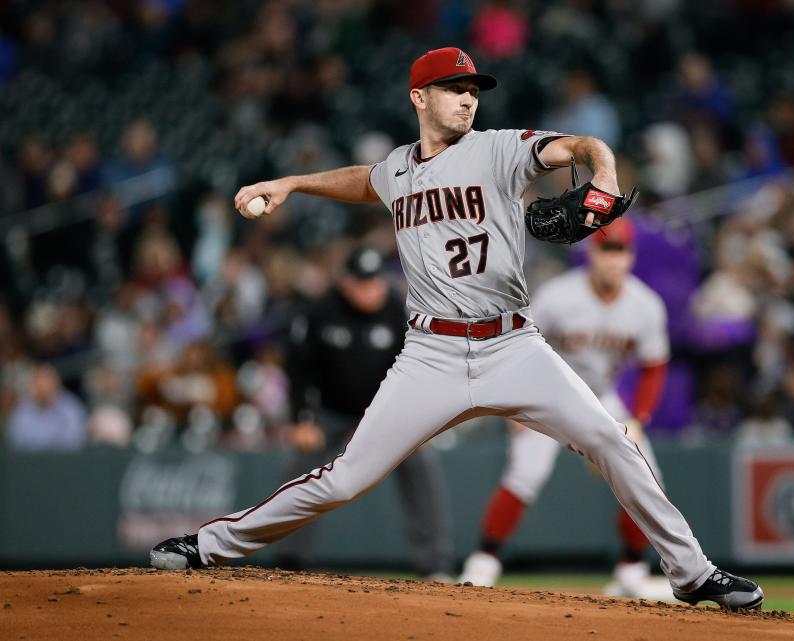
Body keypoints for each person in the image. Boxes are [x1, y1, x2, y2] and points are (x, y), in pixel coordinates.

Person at [150, 47, 763, 610]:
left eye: (473, 88)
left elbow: (581, 145)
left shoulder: (497, 148)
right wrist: (290, 183)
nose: (469, 98)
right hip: (431, 353)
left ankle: (692, 573)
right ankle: (206, 546)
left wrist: (601, 176)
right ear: (419, 98)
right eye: (453, 88)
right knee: (343, 480)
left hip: (513, 344)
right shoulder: (398, 170)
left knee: (612, 443)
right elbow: (363, 180)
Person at [458, 218, 674, 598]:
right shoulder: (559, 296)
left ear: (631, 256)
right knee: (525, 474)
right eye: (606, 250)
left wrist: (637, 420)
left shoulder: (645, 305)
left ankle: (631, 569)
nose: (613, 259)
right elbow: (519, 346)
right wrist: (516, 404)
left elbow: (653, 369)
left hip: (599, 396)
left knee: (646, 475)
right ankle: (483, 562)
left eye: (620, 250)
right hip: (550, 392)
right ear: (590, 253)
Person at [278, 245, 454, 579]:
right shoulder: (321, 311)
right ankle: (290, 561)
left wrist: (421, 421)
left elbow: (421, 368)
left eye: (374, 281)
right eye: (361, 282)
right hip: (331, 411)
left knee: (420, 465)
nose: (369, 289)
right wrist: (301, 418)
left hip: (384, 412)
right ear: (345, 281)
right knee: (301, 469)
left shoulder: (396, 310)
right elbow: (298, 368)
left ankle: (435, 565)